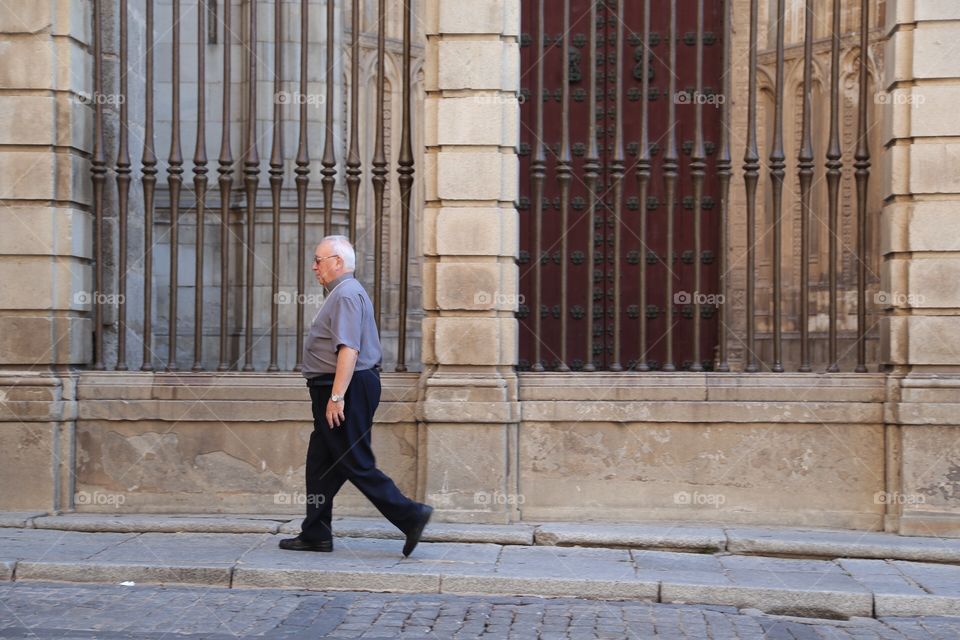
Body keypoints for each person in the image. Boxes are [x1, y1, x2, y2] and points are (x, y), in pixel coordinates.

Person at [279, 235, 432, 556]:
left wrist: (337, 397)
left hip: (343, 387)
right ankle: (315, 532)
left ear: (337, 262)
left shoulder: (346, 294)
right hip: (338, 386)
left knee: (355, 461)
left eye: (318, 260)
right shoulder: (343, 293)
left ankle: (410, 514)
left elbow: (349, 348)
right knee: (320, 463)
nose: (314, 267)